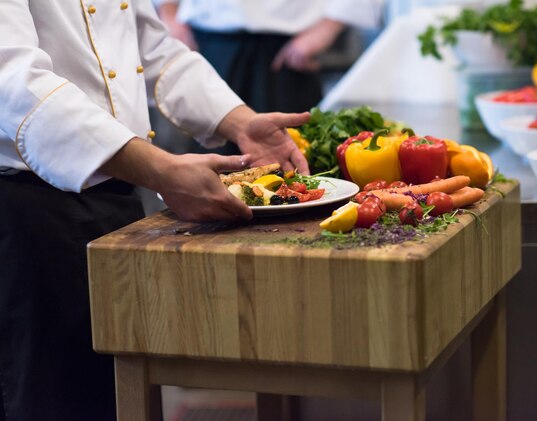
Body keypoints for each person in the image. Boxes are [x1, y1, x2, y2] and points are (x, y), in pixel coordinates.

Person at [0, 1, 309, 420]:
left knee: (113, 393)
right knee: (51, 397)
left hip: (116, 196)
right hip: (25, 210)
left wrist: (238, 121)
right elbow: (12, 80)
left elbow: (154, 49)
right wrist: (162, 170)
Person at [156, 0, 384, 114]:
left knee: (293, 166)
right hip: (208, 43)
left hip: (285, 52)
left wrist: (329, 26)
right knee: (212, 164)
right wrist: (168, 10)